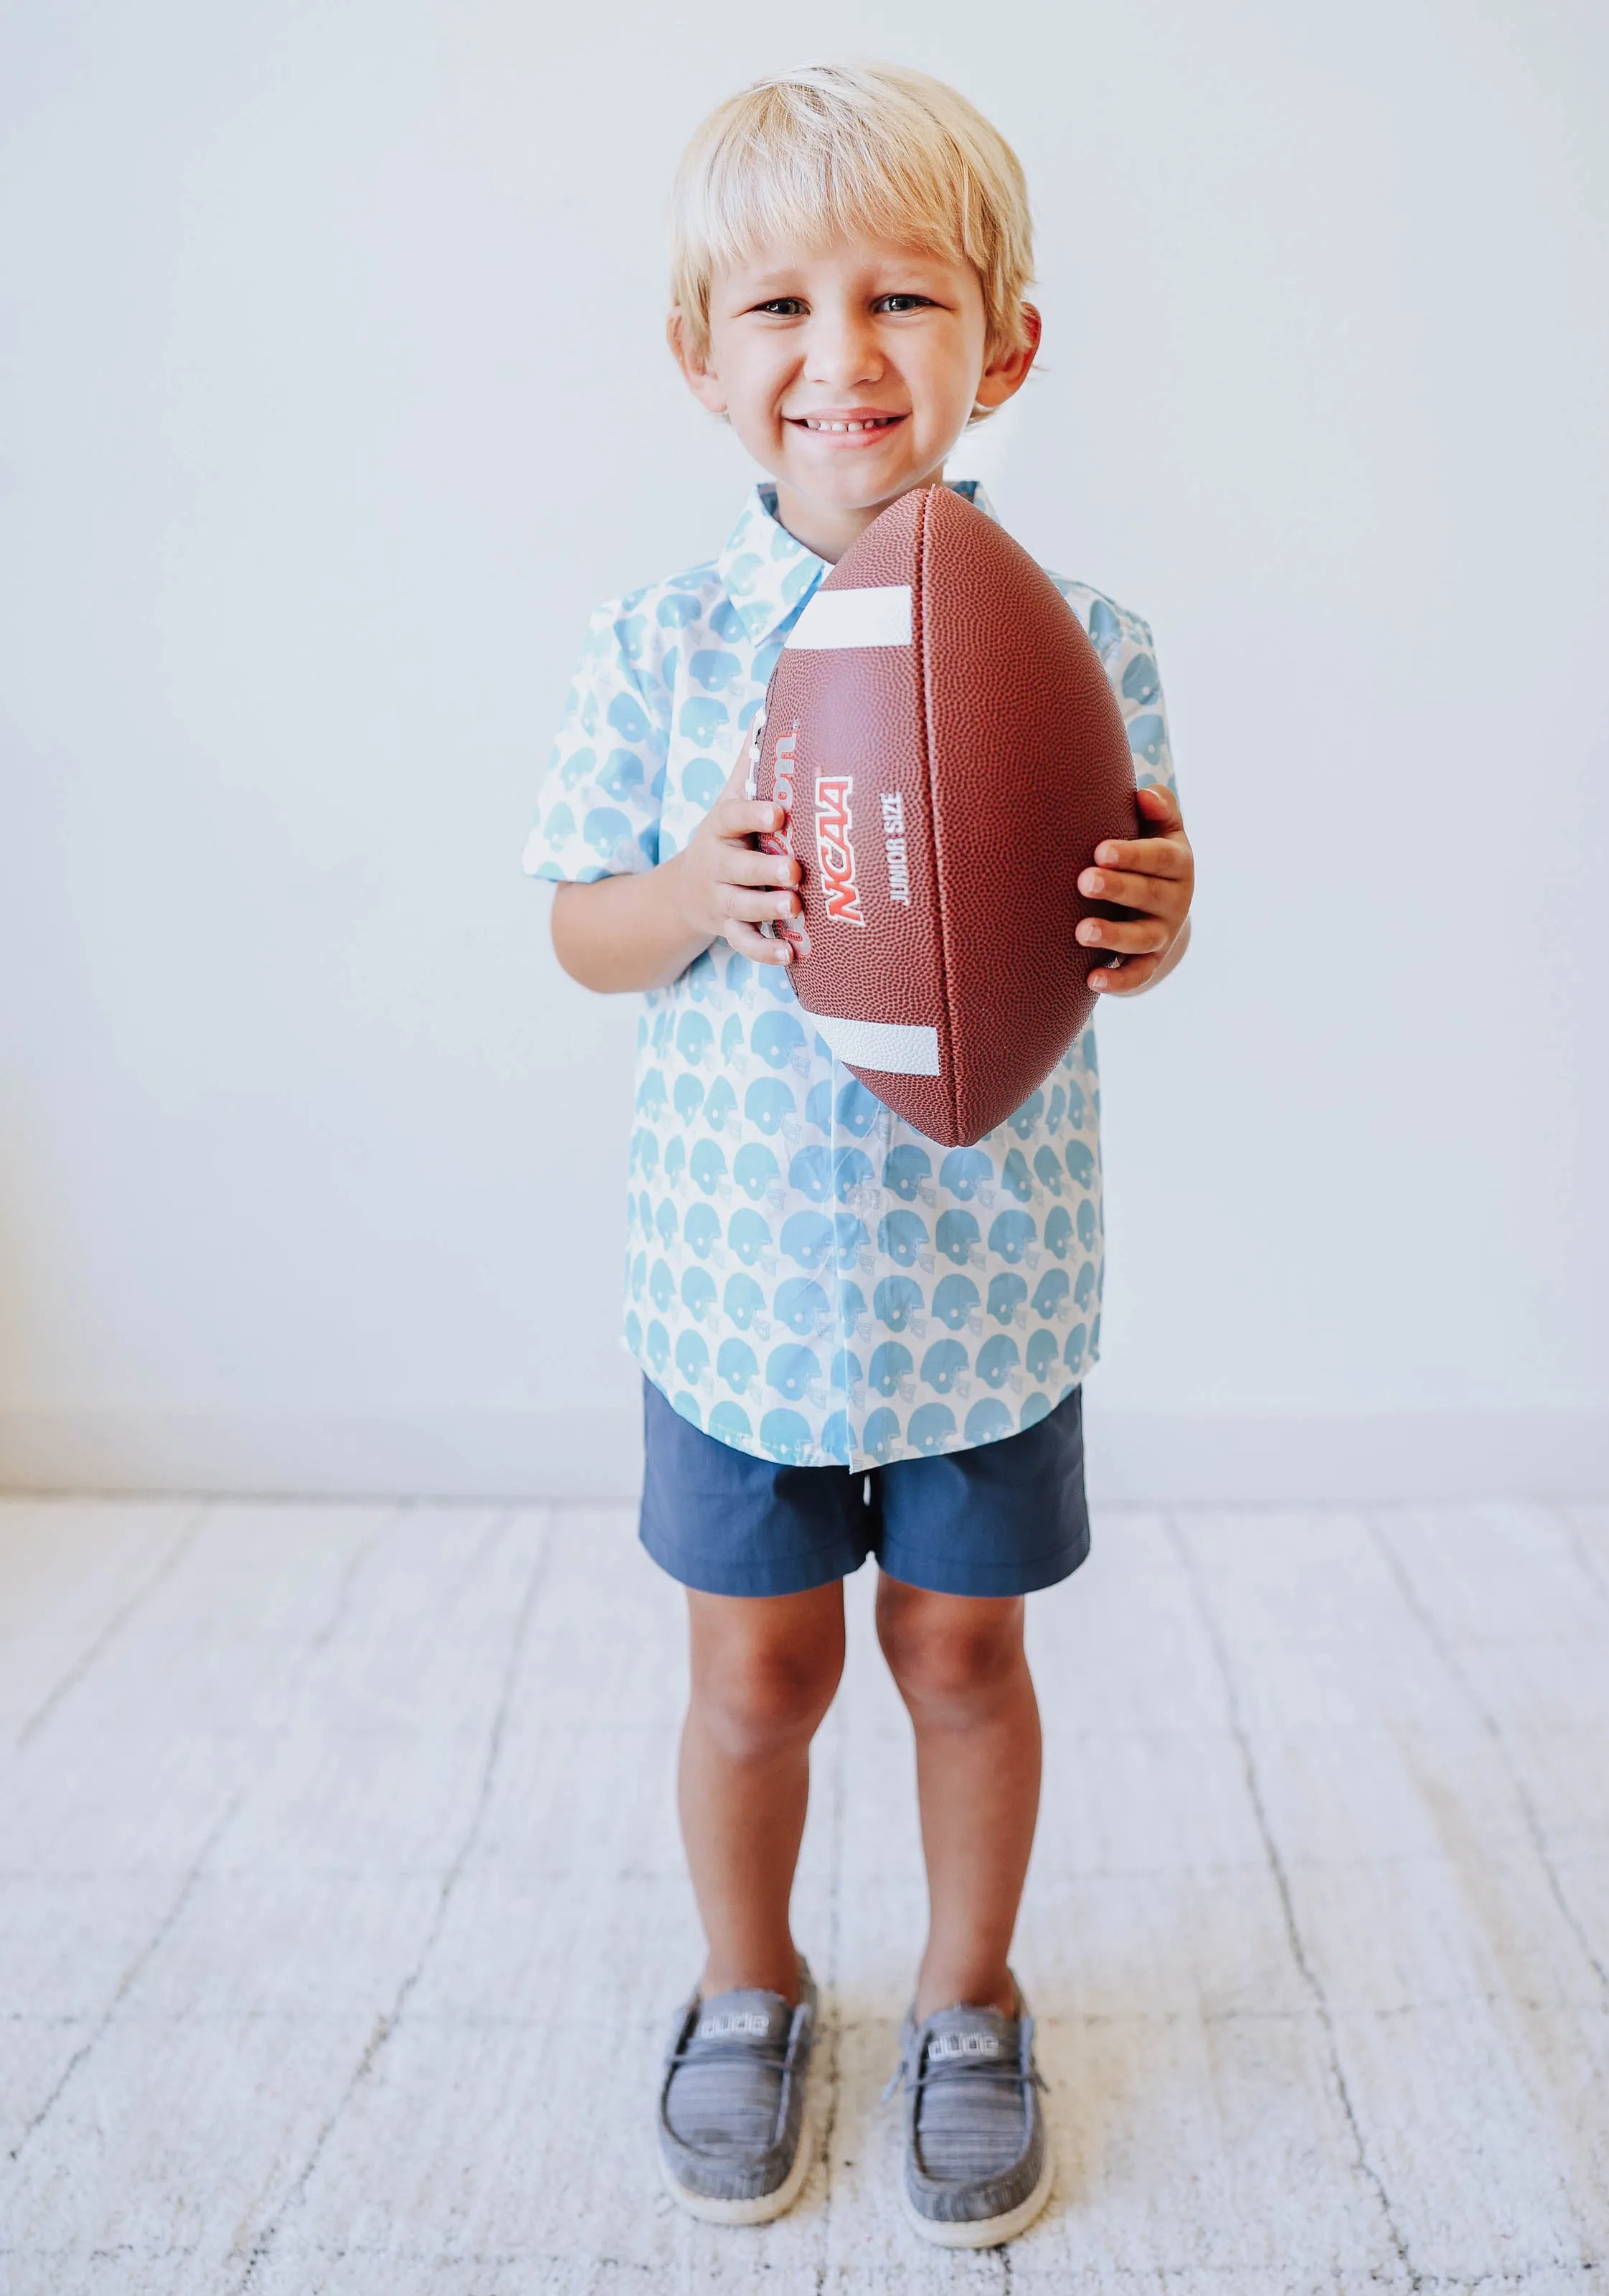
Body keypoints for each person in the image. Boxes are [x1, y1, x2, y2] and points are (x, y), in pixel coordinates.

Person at [522, 59, 1194, 2248]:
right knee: (756, 1672)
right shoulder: (659, 647)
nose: (844, 357)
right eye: (782, 310)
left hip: (986, 1276)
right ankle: (749, 1989)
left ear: (1000, 343)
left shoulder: (1077, 645)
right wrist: (689, 893)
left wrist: (1163, 915)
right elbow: (575, 932)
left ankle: (972, 2000)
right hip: (741, 1292)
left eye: (902, 298)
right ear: (700, 359)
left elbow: (1123, 923)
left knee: (965, 1659)